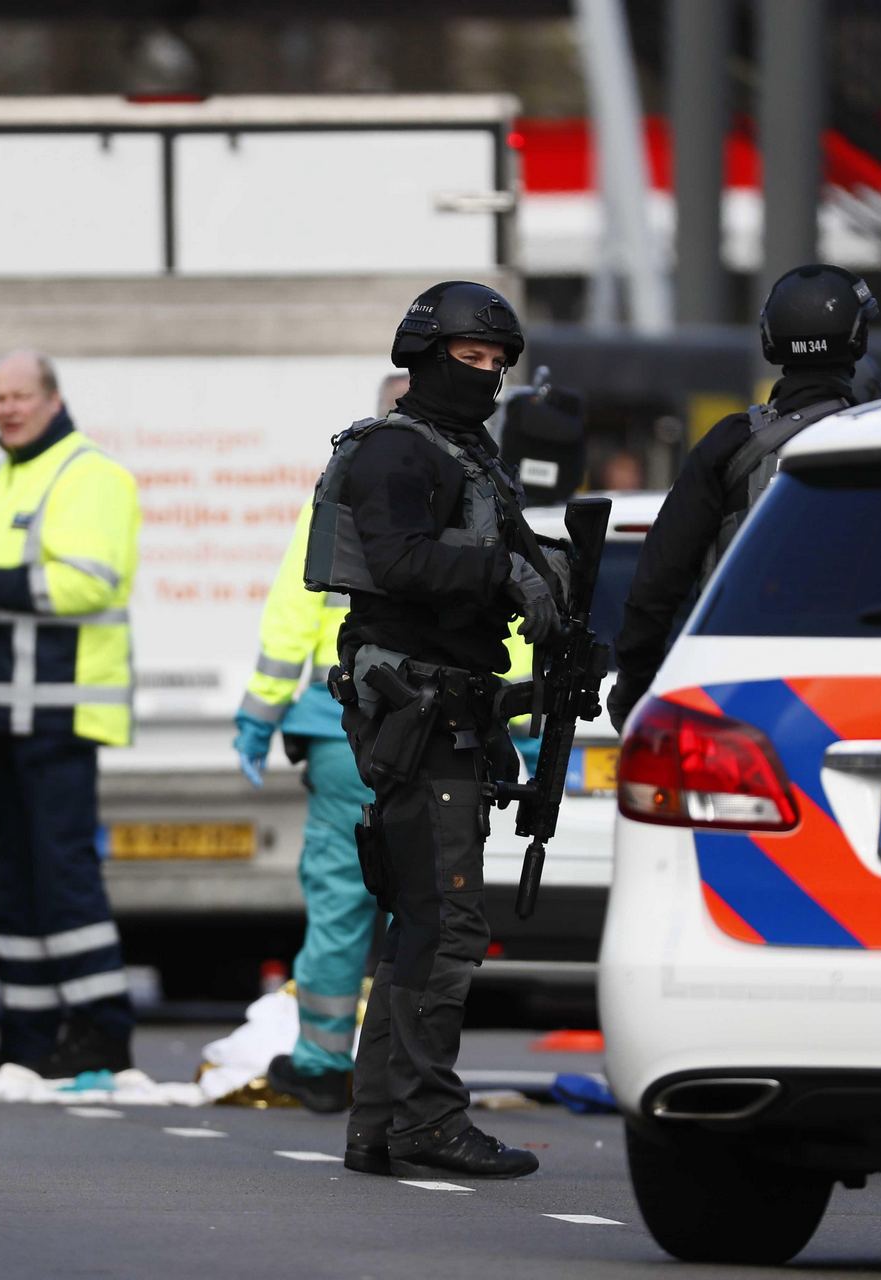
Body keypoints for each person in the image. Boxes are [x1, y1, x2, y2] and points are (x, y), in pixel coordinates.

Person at [310, 280, 563, 1180]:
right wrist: (506, 577)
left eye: (498, 365)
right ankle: (426, 1121)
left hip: (450, 701)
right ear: (421, 356)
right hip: (415, 711)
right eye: (470, 359)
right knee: (446, 925)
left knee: (417, 921)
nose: (487, 377)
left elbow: (503, 565)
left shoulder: (467, 454)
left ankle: (381, 1125)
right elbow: (402, 562)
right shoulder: (396, 451)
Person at [0, 350, 141, 1079]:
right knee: (15, 878)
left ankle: (101, 1032)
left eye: (21, 395)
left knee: (63, 876)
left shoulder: (91, 474)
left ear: (53, 399)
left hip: (59, 712)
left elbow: (87, 584)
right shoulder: (8, 476)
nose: (9, 408)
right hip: (8, 714)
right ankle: (26, 1034)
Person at [606, 264, 880, 732]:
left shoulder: (730, 445)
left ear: (771, 340)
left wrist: (634, 686)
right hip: (856, 690)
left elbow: (657, 582)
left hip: (737, 688)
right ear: (857, 338)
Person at [235, 372, 406, 1113]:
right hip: (446, 734)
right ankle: (407, 1072)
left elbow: (293, 613)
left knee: (342, 901)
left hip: (345, 727)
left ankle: (322, 1064)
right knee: (427, 909)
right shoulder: (483, 490)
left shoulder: (342, 489)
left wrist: (260, 713)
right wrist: (520, 729)